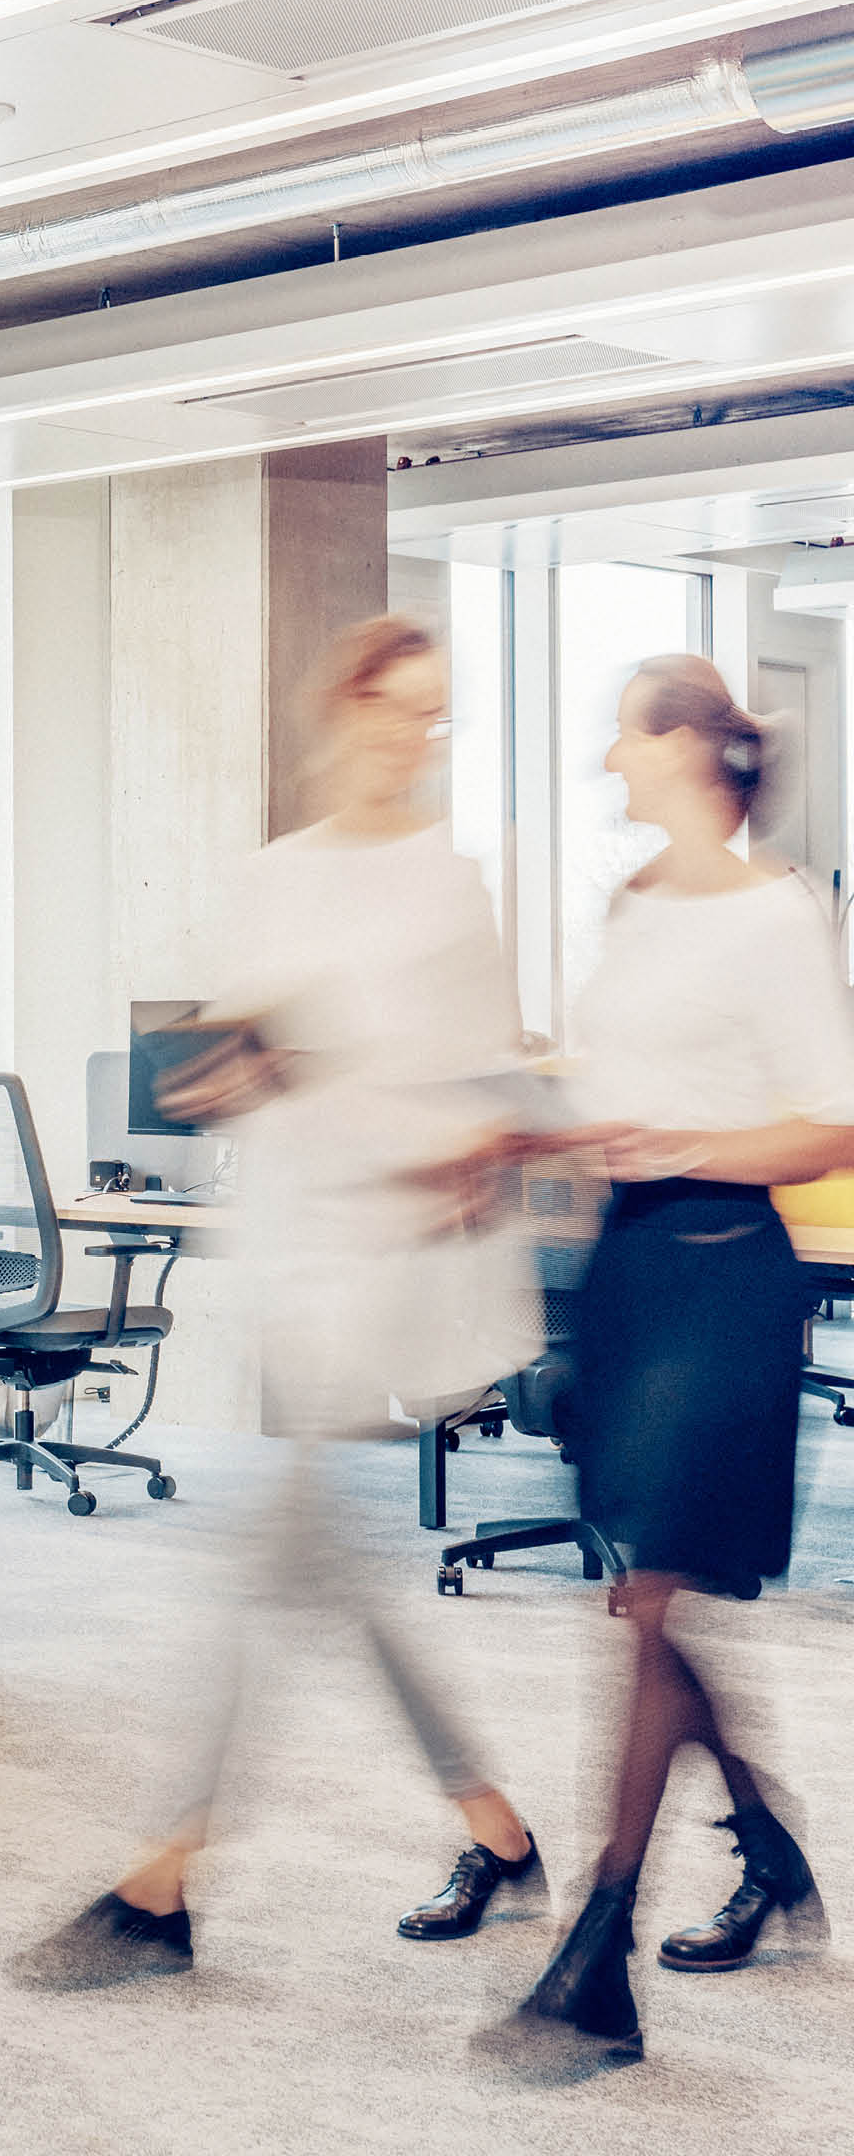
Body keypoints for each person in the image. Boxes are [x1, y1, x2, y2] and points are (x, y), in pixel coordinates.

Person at [25, 615, 543, 1988]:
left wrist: (449, 1136)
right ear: (343, 709)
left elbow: (483, 1085)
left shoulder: (452, 886)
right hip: (291, 1239)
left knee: (270, 1571)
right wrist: (225, 1075)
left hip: (389, 1248)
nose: (412, 739)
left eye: (435, 717)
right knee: (327, 1573)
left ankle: (164, 1880)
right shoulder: (276, 877)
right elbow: (245, 1044)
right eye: (394, 709)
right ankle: (492, 1827)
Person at [499, 655, 854, 2059]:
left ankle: (601, 1949)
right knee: (644, 1610)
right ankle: (768, 1850)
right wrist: (535, 1129)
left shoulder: (780, 914)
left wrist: (683, 1145)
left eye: (624, 741)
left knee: (650, 1604)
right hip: (629, 1265)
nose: (608, 764)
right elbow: (616, 1082)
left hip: (724, 1268)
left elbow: (833, 1121)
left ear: (692, 747)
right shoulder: (631, 901)